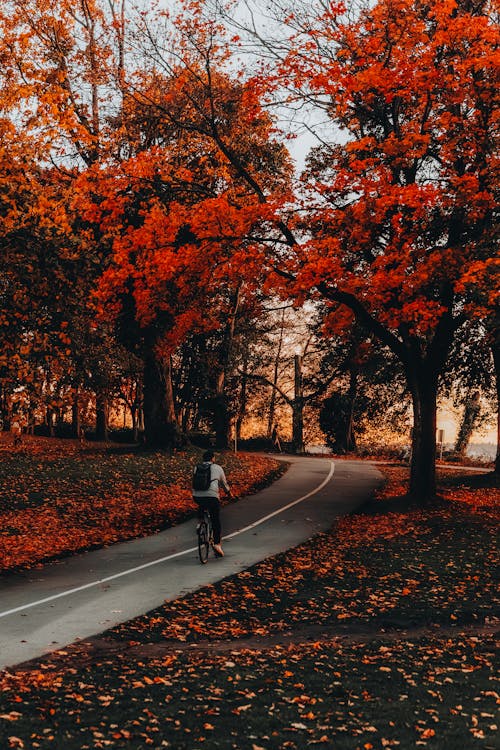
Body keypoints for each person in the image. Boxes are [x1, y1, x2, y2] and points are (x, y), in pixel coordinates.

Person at [193, 450, 232, 557]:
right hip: (212, 496)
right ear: (212, 459)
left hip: (197, 495)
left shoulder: (197, 467)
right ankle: (217, 544)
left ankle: (200, 522)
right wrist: (229, 494)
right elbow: (224, 484)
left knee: (202, 503)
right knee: (215, 519)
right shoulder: (218, 468)